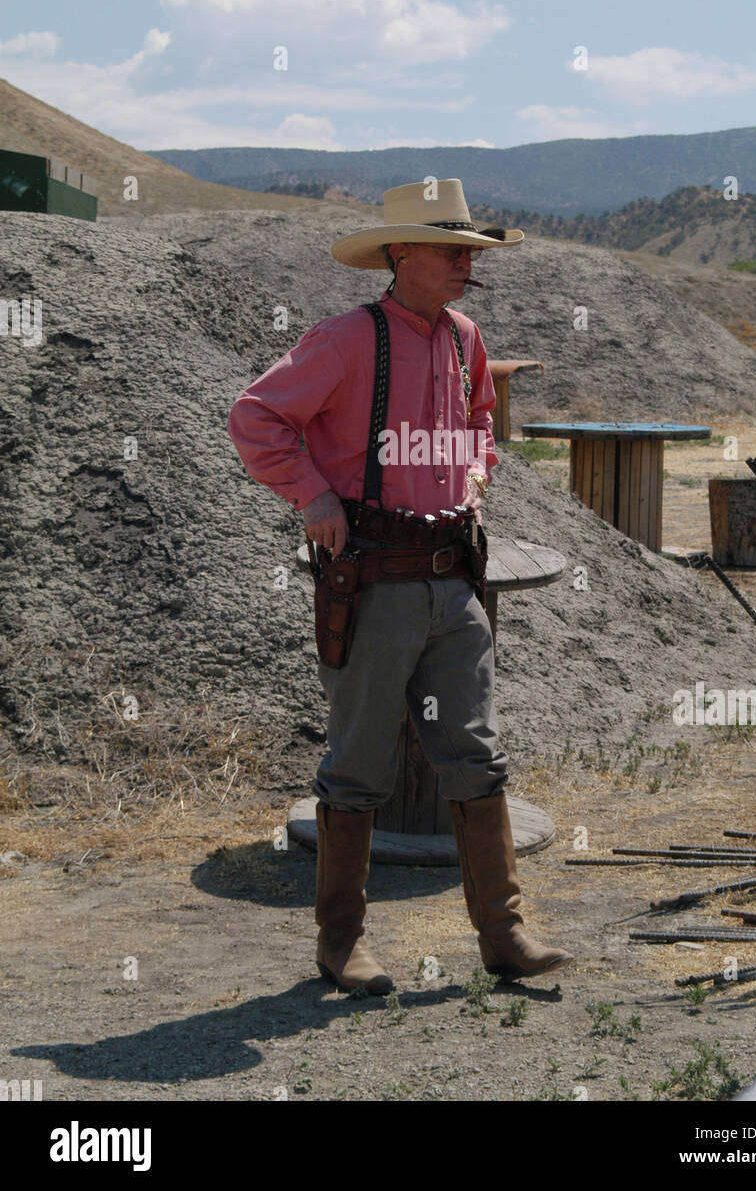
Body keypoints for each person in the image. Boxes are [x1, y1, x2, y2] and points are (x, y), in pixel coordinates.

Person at [227, 179, 573, 994]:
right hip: (374, 582)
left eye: (470, 252)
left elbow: (482, 420)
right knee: (357, 764)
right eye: (451, 249)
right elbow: (256, 416)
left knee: (477, 757)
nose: (465, 263)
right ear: (400, 255)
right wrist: (312, 496)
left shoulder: (466, 338)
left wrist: (477, 476)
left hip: (454, 581)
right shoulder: (344, 340)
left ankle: (504, 933)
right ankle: (340, 941)